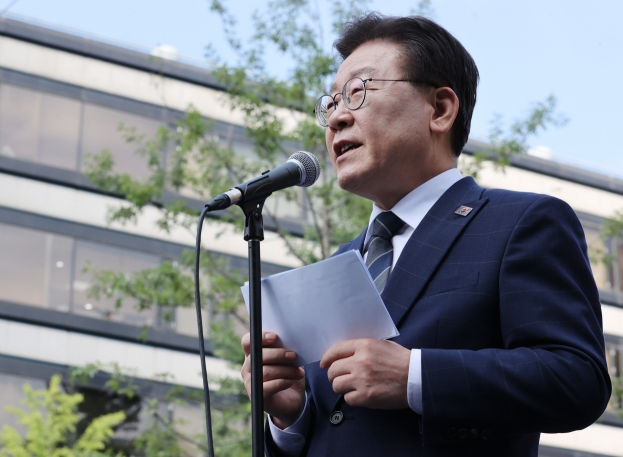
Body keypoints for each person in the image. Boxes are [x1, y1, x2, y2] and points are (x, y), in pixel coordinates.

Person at [240, 13, 611, 457]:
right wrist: (290, 417)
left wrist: (415, 375)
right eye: (331, 103)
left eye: (357, 93)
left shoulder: (522, 222)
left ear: (439, 109)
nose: (336, 118)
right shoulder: (341, 264)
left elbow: (577, 379)